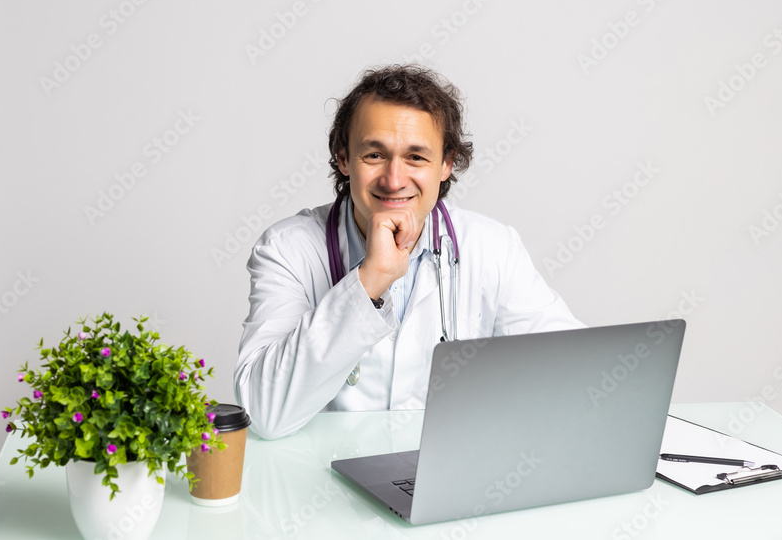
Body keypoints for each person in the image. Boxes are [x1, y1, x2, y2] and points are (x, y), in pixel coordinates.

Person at [233, 65, 584, 439]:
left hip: (446, 469)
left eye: (416, 157)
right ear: (343, 158)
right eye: (374, 155)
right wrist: (370, 280)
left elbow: (574, 373)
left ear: (446, 164)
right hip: (320, 473)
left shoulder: (493, 248)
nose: (394, 180)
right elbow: (264, 412)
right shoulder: (288, 249)